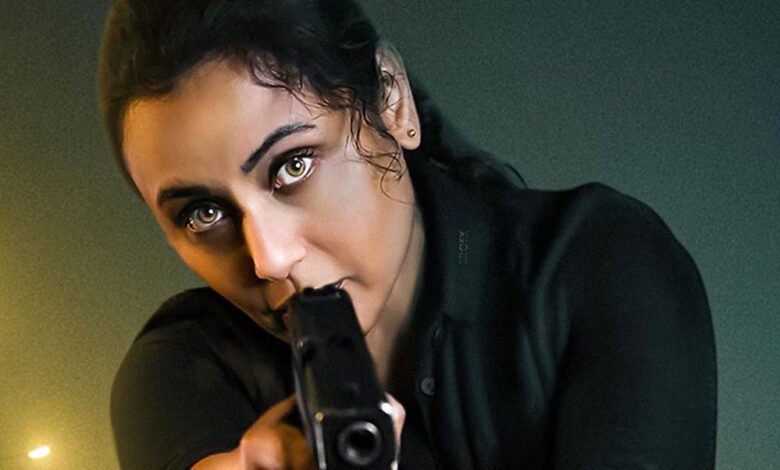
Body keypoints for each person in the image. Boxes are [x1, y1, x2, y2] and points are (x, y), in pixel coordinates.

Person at [99, 0, 717, 468]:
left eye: (294, 165)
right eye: (203, 214)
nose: (270, 257)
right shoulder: (178, 371)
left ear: (391, 100)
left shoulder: (601, 266)